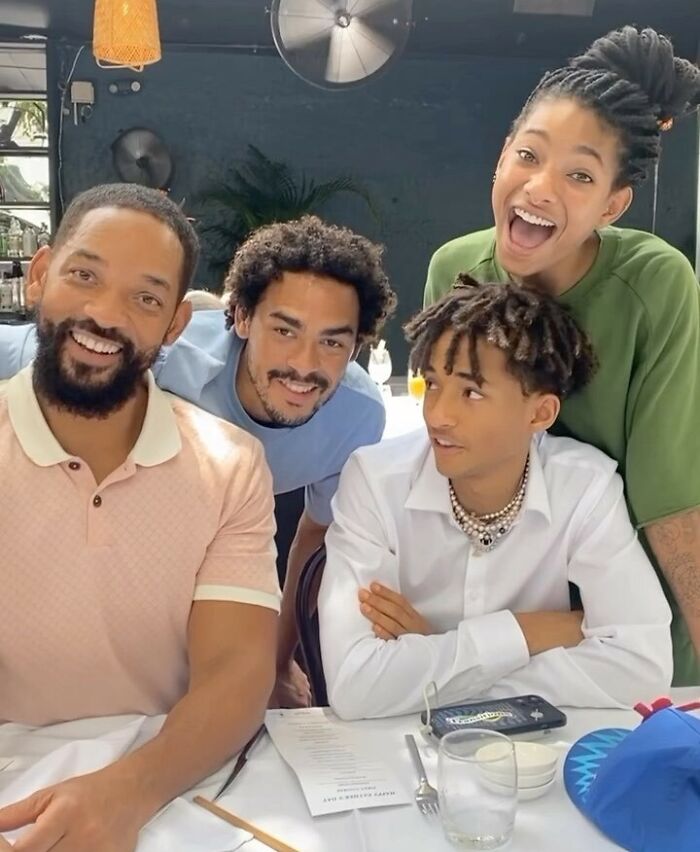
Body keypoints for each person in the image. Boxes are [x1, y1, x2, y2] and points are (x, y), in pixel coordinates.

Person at [0, 214, 397, 707]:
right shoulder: (166, 355)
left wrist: (275, 661)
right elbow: (30, 349)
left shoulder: (358, 417)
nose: (304, 364)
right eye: (285, 330)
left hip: (236, 542)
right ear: (243, 318)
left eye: (333, 341)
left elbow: (314, 537)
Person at [0, 183, 280, 850]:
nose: (104, 313)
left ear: (176, 325)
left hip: (174, 777)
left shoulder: (230, 465)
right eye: (84, 275)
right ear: (40, 276)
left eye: (146, 298)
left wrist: (131, 791)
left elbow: (237, 671)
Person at [423, 26, 700, 685]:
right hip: (503, 613)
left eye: (579, 175)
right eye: (528, 155)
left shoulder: (655, 284)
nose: (540, 188)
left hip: (635, 616)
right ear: (501, 156)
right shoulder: (455, 268)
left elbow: (669, 491)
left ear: (613, 204)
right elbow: (451, 442)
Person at [319, 281, 672, 720]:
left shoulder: (583, 487)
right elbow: (356, 686)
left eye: (471, 392)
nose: (437, 415)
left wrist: (440, 651)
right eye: (432, 384)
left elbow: (644, 666)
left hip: (539, 754)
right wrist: (529, 631)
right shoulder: (375, 480)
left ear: (540, 414)